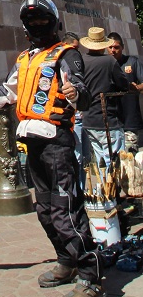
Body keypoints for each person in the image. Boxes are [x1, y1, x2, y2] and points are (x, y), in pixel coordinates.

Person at [0, 0, 105, 297]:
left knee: (67, 210)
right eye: (32, 22)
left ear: (54, 24)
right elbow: (5, 92)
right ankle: (66, 261)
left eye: (42, 21)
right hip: (31, 145)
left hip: (56, 143)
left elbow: (84, 92)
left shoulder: (67, 55)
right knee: (45, 210)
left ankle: (90, 277)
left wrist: (76, 93)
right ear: (25, 28)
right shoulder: (24, 59)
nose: (37, 26)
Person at [80, 27, 130, 170]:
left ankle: (106, 190)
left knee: (101, 161)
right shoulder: (109, 61)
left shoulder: (82, 60)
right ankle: (114, 191)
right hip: (107, 119)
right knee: (116, 163)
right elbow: (123, 85)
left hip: (89, 119)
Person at [107, 31, 143, 153]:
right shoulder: (104, 64)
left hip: (130, 120)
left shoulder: (132, 61)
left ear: (122, 47)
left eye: (116, 47)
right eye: (110, 47)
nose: (113, 50)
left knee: (131, 157)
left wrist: (136, 88)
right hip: (111, 121)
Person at [63, 31, 85, 189]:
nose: (75, 53)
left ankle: (81, 190)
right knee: (76, 157)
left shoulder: (76, 60)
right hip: (66, 118)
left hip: (79, 114)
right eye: (73, 48)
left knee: (82, 157)